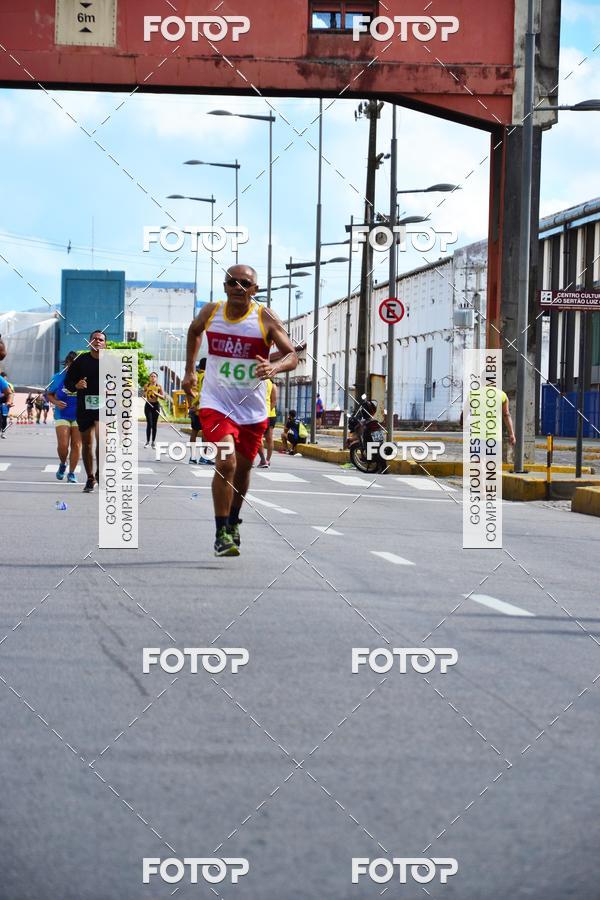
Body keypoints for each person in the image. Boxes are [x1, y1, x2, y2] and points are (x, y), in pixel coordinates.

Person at [183, 264, 298, 557]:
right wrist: (189, 372)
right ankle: (221, 531)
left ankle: (233, 519)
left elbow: (292, 355)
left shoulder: (265, 318)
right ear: (224, 286)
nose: (238, 287)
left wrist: (273, 367)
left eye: (245, 283)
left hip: (252, 408)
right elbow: (194, 331)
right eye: (232, 282)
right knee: (226, 462)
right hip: (216, 402)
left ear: (254, 290)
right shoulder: (212, 312)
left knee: (244, 469)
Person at [64, 330, 106, 493]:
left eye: (100, 339)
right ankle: (90, 477)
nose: (97, 341)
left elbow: (122, 383)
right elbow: (68, 382)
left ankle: (99, 472)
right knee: (87, 443)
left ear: (105, 343)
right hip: (85, 406)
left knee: (102, 440)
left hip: (104, 407)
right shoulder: (81, 361)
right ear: (89, 343)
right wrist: (76, 385)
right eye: (94, 339)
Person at [47, 352, 81, 482]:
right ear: (66, 363)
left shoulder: (84, 378)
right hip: (62, 414)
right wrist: (56, 402)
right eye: (70, 364)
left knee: (77, 445)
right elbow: (48, 394)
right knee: (63, 445)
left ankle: (71, 473)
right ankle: (63, 464)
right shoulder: (58, 377)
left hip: (79, 415)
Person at [257, 378, 277, 468]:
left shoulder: (271, 384)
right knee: (266, 438)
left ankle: (265, 460)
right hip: (267, 414)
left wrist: (266, 412)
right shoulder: (269, 383)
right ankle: (265, 460)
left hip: (266, 414)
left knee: (262, 438)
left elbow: (273, 401)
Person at [143, 372, 163, 448]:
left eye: (154, 376)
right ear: (149, 378)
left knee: (154, 425)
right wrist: (145, 393)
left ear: (156, 378)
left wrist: (156, 394)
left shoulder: (159, 386)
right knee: (149, 423)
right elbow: (143, 395)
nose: (153, 378)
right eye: (151, 376)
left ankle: (153, 442)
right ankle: (147, 442)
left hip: (156, 405)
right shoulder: (146, 386)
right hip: (148, 405)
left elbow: (163, 397)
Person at [0, 371, 13, 438]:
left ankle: (3, 432)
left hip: (5, 403)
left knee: (4, 418)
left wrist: (9, 402)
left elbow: (11, 394)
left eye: (5, 379)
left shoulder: (9, 385)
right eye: (3, 378)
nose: (4, 380)